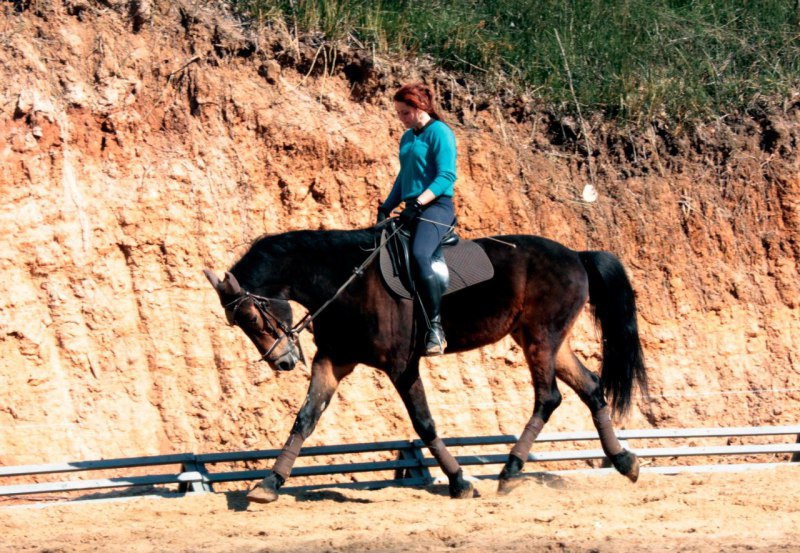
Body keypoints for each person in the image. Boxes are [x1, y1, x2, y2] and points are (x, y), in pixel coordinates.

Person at [376, 82, 457, 356]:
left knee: (420, 254)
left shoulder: (440, 133)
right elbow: (405, 176)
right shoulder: (408, 137)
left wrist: (419, 203)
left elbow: (446, 176)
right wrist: (387, 206)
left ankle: (435, 329)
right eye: (398, 113)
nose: (401, 119)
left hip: (437, 208)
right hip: (412, 206)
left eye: (404, 113)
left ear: (420, 107)